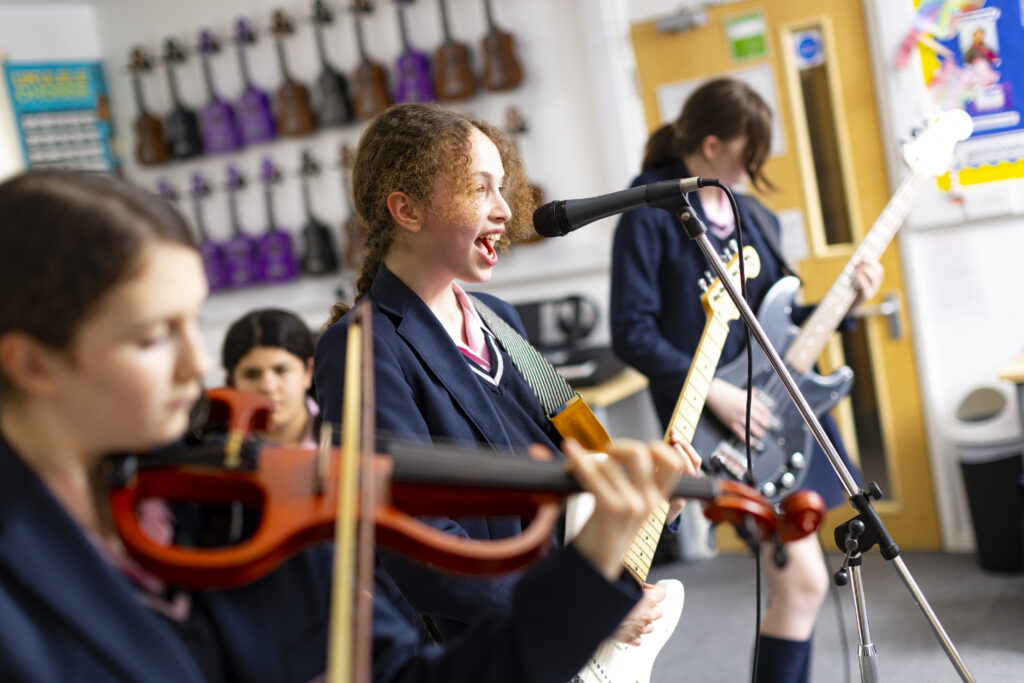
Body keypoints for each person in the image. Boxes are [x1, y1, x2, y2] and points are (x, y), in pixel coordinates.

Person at [0, 170, 689, 682]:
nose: (195, 365)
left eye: (193, 323)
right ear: (32, 362)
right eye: (154, 336)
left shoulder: (237, 506)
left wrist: (590, 566)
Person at [314, 102, 703, 647]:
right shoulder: (362, 346)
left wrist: (654, 503)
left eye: (503, 186)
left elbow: (568, 495)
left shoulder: (501, 322)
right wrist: (575, 608)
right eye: (480, 189)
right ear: (406, 209)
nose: (506, 209)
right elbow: (420, 547)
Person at [609, 78, 883, 682]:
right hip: (715, 431)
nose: (756, 163)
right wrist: (717, 391)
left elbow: (783, 319)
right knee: (805, 582)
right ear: (712, 145)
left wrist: (851, 299)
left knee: (801, 587)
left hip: (779, 416)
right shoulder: (648, 215)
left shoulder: (750, 215)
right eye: (748, 148)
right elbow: (631, 331)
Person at [222, 308, 319, 447]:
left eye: (281, 371)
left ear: (308, 373)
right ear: (232, 382)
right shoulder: (212, 452)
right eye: (251, 375)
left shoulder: (347, 434)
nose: (268, 387)